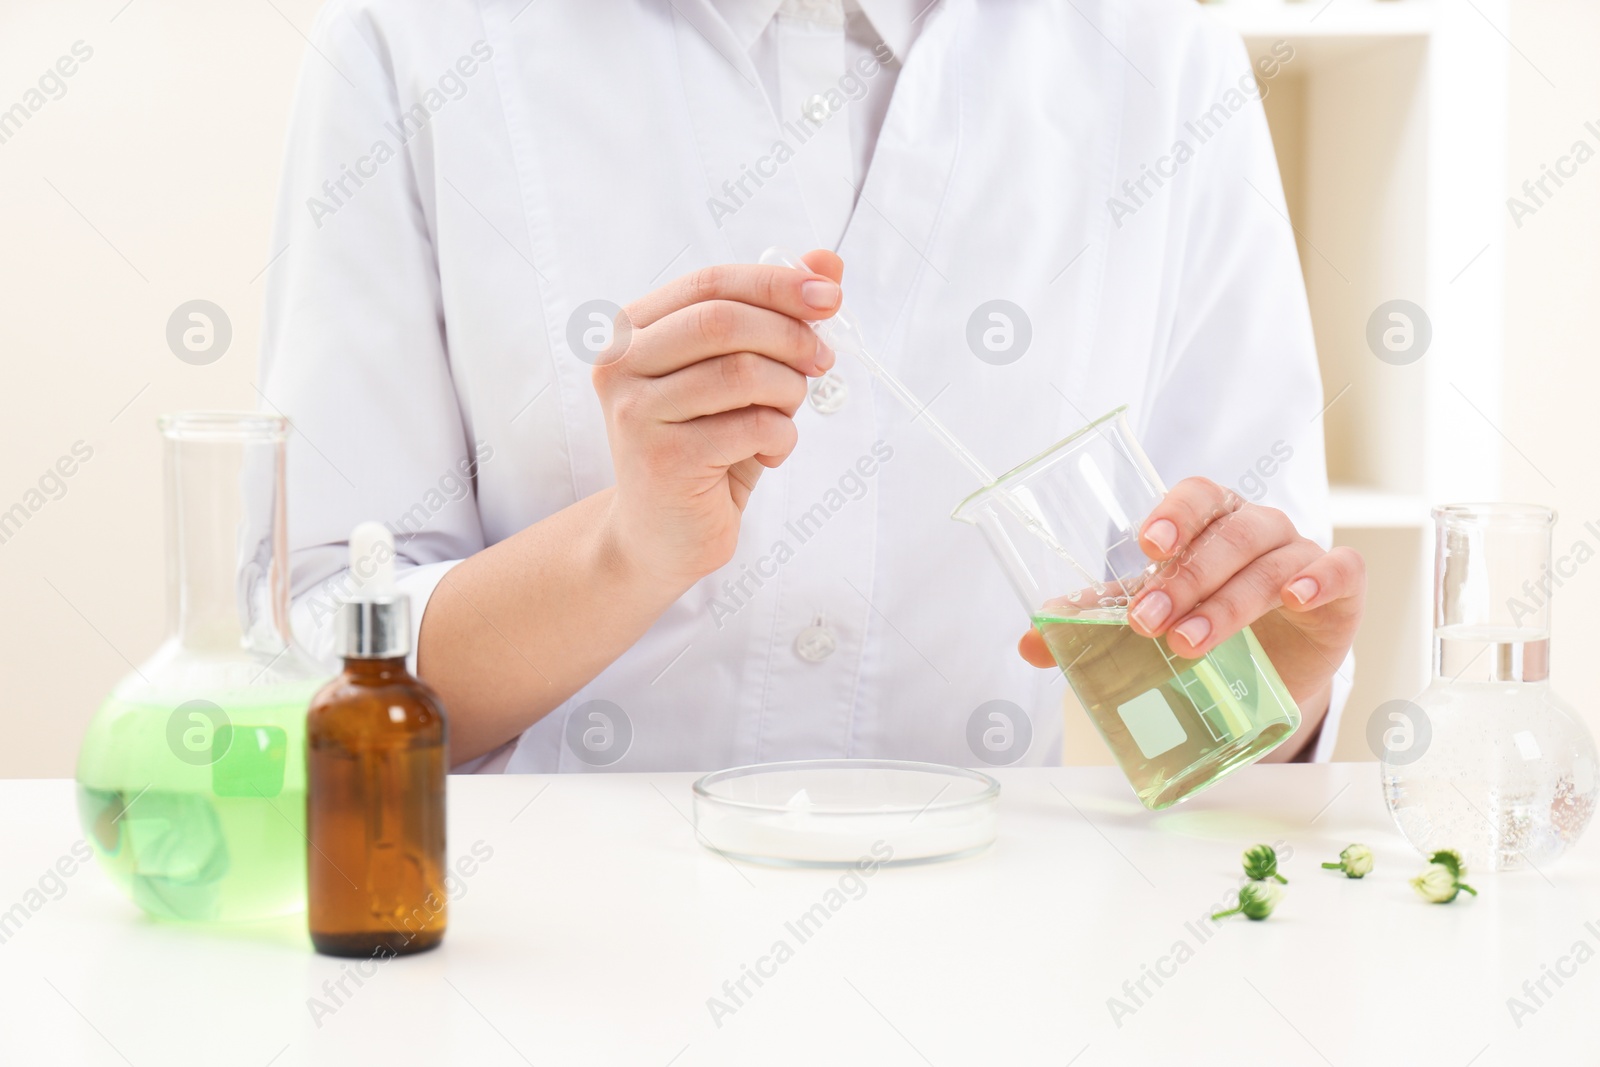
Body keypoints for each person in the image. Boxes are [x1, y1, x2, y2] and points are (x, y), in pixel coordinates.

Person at [260, 0, 1365, 773]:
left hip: (993, 971)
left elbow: (1209, 678)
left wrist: (1275, 682)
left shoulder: (1164, 63)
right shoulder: (412, 40)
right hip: (543, 976)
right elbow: (310, 655)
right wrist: (623, 552)